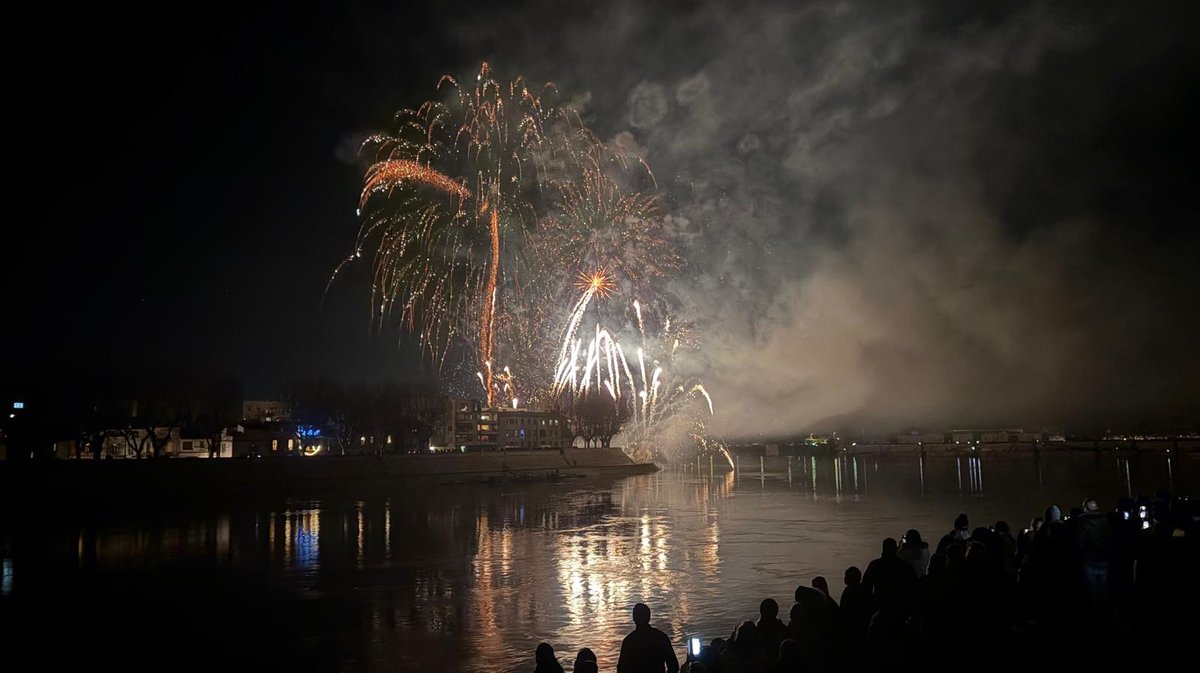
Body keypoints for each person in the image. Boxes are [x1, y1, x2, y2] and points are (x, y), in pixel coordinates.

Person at [618, 603, 680, 673]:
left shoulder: (629, 641)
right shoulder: (661, 638)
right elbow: (673, 666)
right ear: (649, 617)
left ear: (634, 618)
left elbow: (621, 669)